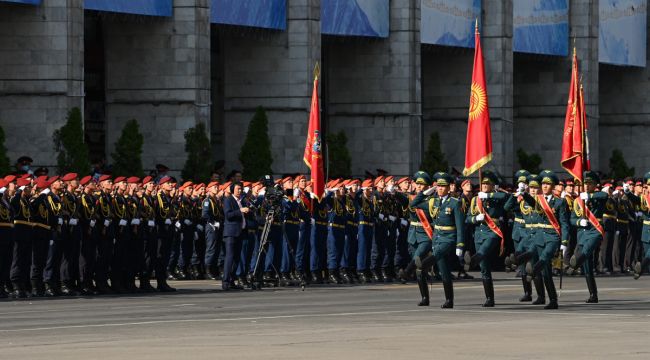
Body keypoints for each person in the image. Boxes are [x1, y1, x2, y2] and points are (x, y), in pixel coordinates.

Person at [412, 172, 465, 308]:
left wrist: (460, 244)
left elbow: (460, 226)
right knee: (444, 271)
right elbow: (414, 203)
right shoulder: (433, 201)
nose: (440, 189)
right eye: (438, 186)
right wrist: (426, 192)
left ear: (449, 187)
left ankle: (422, 264)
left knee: (438, 254)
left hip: (449, 238)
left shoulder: (454, 203)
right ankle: (449, 300)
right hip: (437, 238)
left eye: (443, 186)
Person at [520, 170, 570, 309]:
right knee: (546, 271)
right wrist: (524, 193)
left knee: (546, 257)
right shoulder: (539, 200)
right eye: (543, 184)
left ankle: (532, 271)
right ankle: (553, 300)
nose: (545, 186)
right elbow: (532, 203)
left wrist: (564, 242)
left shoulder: (560, 202)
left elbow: (564, 223)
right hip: (541, 235)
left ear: (553, 186)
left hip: (553, 236)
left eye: (548, 184)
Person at [467, 171, 512, 307]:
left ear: (493, 186)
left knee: (484, 250)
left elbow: (507, 197)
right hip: (479, 233)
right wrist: (475, 218)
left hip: (493, 231)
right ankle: (489, 298)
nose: (485, 186)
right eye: (483, 184)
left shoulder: (496, 197)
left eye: (488, 184)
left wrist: (489, 195)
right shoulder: (476, 199)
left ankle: (472, 260)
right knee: (484, 268)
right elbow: (468, 218)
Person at [568, 171, 608, 303]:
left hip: (595, 231)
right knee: (587, 266)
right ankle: (593, 295)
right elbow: (572, 219)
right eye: (585, 183)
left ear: (595, 185)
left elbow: (604, 195)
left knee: (586, 252)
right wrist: (579, 222)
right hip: (582, 232)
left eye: (590, 184)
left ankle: (574, 265)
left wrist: (589, 196)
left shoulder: (598, 196)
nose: (586, 186)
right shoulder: (577, 201)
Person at [222, 182, 248, 290]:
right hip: (231, 233)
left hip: (240, 232)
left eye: (241, 189)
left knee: (237, 258)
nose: (240, 191)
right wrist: (240, 211)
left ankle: (232, 280)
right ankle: (225, 281)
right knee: (230, 257)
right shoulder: (228, 200)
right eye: (237, 189)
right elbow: (228, 215)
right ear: (233, 190)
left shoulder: (242, 201)